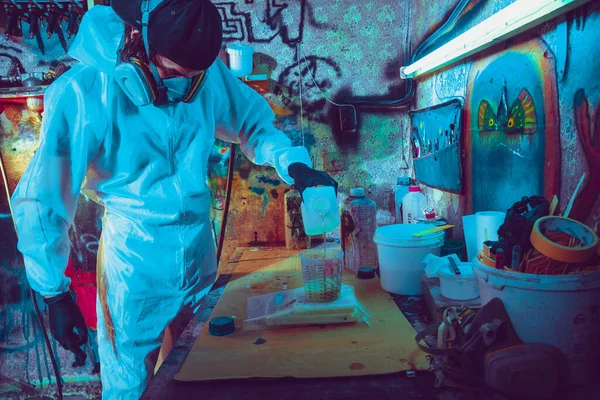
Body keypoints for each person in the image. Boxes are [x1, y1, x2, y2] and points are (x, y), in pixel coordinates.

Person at [10, 0, 337, 398]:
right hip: (135, 264)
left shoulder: (206, 79)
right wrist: (53, 292)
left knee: (206, 369)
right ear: (138, 40)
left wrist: (295, 165)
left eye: (193, 78)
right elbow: (44, 199)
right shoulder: (84, 92)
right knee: (131, 385)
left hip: (198, 250)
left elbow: (253, 123)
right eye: (174, 74)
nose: (183, 88)